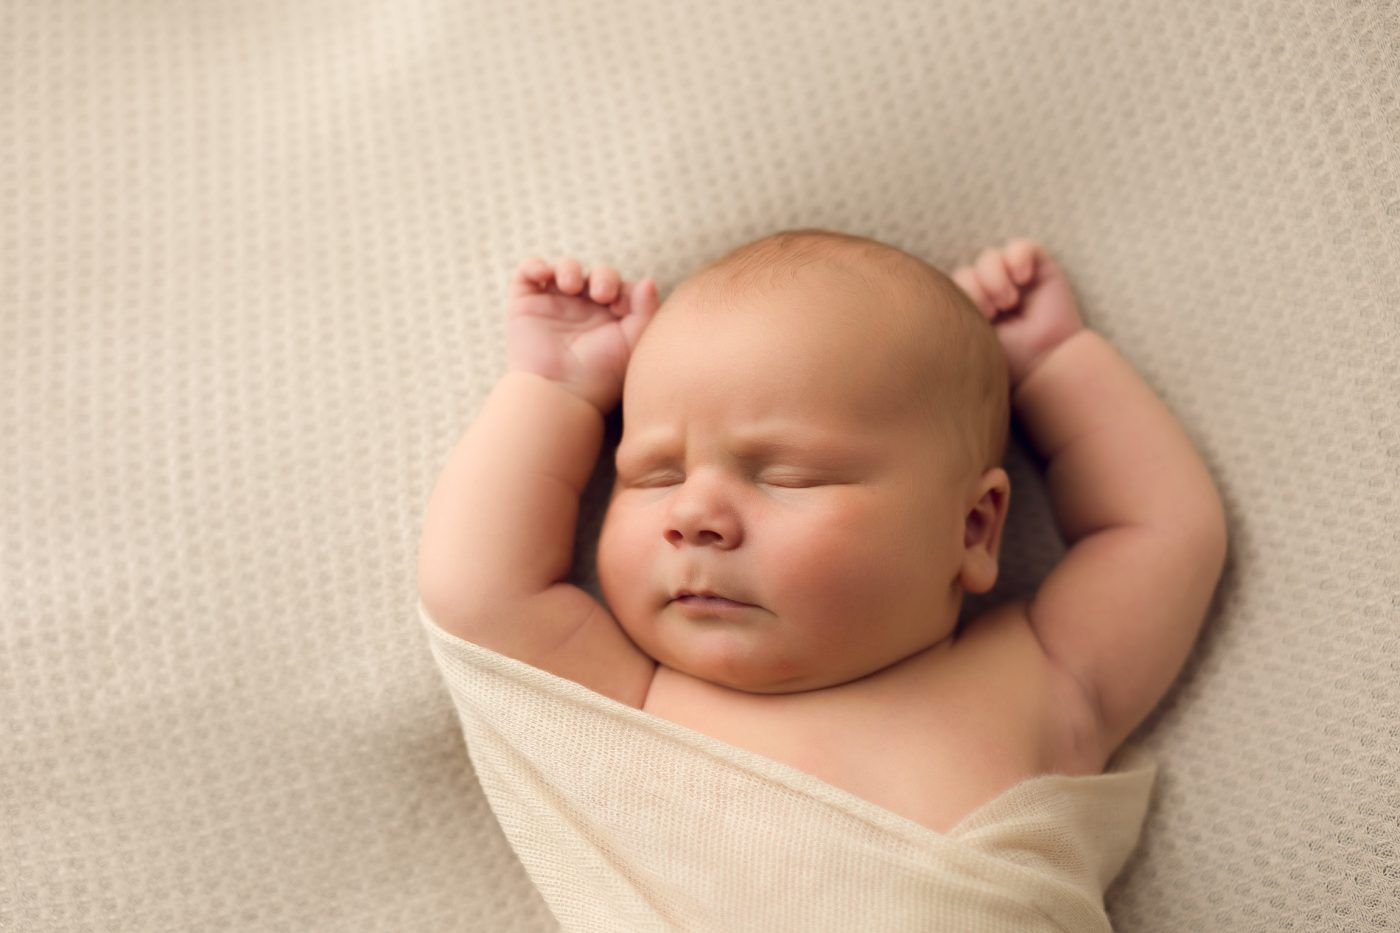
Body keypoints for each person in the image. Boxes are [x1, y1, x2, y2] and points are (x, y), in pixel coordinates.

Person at [417, 228, 1228, 835]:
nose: (693, 514)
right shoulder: (634, 704)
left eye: (786, 476)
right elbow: (481, 592)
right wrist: (555, 391)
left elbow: (1160, 532)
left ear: (975, 528)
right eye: (653, 476)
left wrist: (1054, 367)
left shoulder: (1042, 682)